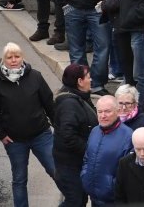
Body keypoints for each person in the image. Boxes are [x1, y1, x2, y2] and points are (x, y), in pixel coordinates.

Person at [0, 42, 57, 207]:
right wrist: (1, 134)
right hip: (15, 141)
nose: (13, 60)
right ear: (4, 60)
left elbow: (49, 104)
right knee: (19, 179)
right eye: (9, 57)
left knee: (57, 170)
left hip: (41, 135)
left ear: (22, 58)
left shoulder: (36, 77)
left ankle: (73, 201)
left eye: (17, 56)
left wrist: (58, 127)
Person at [54, 64, 98, 207]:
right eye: (88, 77)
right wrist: (88, 150)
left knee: (79, 200)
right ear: (80, 81)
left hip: (75, 163)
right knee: (75, 201)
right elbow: (68, 136)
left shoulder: (81, 97)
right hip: (69, 165)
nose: (91, 80)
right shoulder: (70, 104)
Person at [82, 94, 134, 207]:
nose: (103, 115)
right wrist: (85, 176)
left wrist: (111, 187)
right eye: (100, 112)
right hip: (94, 198)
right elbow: (87, 158)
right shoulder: (95, 131)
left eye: (107, 111)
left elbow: (129, 172)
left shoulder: (128, 136)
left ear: (117, 111)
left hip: (113, 201)